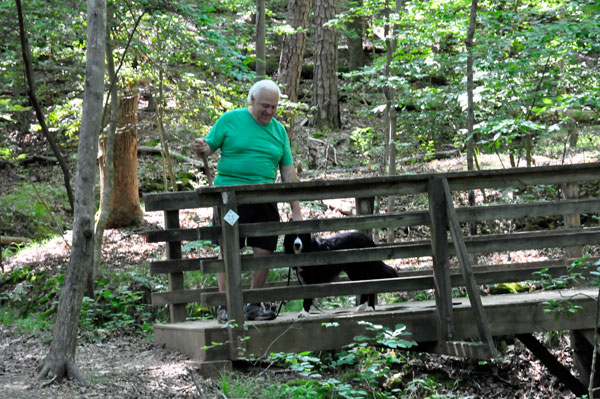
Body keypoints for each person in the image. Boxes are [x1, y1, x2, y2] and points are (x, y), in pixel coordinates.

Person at [193, 79, 303, 323]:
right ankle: (226, 305)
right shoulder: (230, 120)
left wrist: (296, 209)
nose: (269, 112)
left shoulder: (278, 131)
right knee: (228, 246)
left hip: (264, 200)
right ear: (251, 100)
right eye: (265, 106)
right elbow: (208, 147)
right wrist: (202, 146)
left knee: (264, 248)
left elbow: (287, 172)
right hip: (231, 201)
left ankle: (253, 304)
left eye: (274, 107)